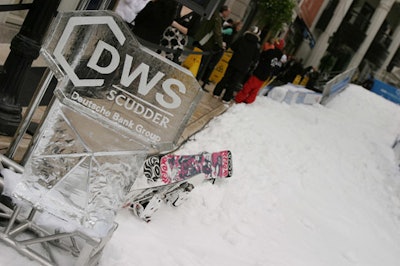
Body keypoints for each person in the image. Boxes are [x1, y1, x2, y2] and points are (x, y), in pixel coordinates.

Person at [212, 26, 261, 103]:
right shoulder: (256, 45)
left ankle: (216, 93)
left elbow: (233, 47)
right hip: (243, 66)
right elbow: (256, 58)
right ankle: (226, 98)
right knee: (233, 82)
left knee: (225, 78)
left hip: (234, 62)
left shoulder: (242, 38)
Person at [235, 39, 285, 104]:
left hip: (260, 71)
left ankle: (239, 98)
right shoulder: (279, 55)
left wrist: (265, 50)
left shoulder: (271, 51)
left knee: (248, 86)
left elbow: (262, 56)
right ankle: (249, 100)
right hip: (266, 74)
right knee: (256, 89)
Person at [193, 5, 231, 84]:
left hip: (202, 40)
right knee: (201, 62)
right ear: (224, 11)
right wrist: (221, 44)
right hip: (205, 42)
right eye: (228, 12)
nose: (228, 14)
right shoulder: (217, 18)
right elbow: (217, 32)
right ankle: (195, 78)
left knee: (198, 60)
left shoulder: (215, 15)